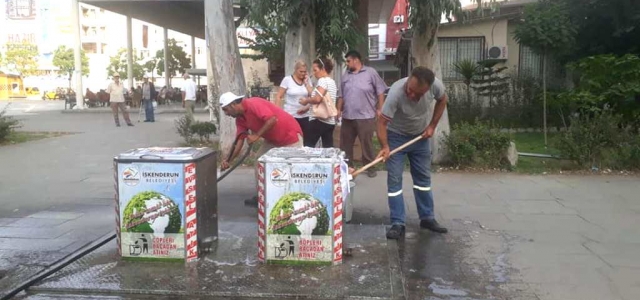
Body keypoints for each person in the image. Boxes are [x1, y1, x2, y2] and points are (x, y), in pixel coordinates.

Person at [376, 66, 449, 239]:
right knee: (394, 181)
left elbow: (443, 100)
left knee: (423, 180)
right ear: (408, 81)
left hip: (420, 137)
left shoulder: (435, 86)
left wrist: (432, 126)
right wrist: (385, 146)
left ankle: (427, 218)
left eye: (418, 93)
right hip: (396, 137)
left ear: (428, 88)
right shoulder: (395, 92)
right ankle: (397, 223)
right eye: (410, 90)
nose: (412, 95)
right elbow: (381, 123)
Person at [218, 92, 303, 205]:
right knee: (259, 162)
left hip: (290, 136)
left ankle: (293, 199)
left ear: (233, 104)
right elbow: (239, 140)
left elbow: (272, 119)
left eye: (226, 109)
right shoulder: (240, 119)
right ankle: (262, 196)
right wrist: (228, 160)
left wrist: (256, 136)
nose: (226, 113)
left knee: (292, 168)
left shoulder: (254, 103)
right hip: (273, 140)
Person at [337, 50, 387, 177]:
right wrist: (338, 110)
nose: (347, 64)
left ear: (356, 60)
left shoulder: (370, 73)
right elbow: (341, 95)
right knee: (345, 144)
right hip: (348, 116)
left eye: (348, 61)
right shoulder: (345, 75)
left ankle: (370, 167)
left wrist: (380, 108)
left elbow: (380, 91)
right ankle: (347, 167)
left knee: (367, 143)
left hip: (366, 116)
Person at [299, 57, 338, 148]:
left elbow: (317, 99)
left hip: (319, 120)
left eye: (315, 70)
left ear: (323, 69)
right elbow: (315, 94)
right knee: (328, 148)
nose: (314, 72)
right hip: (330, 121)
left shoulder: (322, 81)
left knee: (308, 146)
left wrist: (306, 101)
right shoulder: (332, 81)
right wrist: (306, 84)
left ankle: (308, 162)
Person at [275, 61, 313, 144]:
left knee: (307, 142)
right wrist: (277, 113)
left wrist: (306, 82)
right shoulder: (287, 80)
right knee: (292, 141)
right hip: (291, 115)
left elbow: (312, 96)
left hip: (305, 115)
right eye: (301, 71)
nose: (303, 74)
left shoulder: (307, 80)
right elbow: (279, 96)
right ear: (295, 70)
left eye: (304, 71)